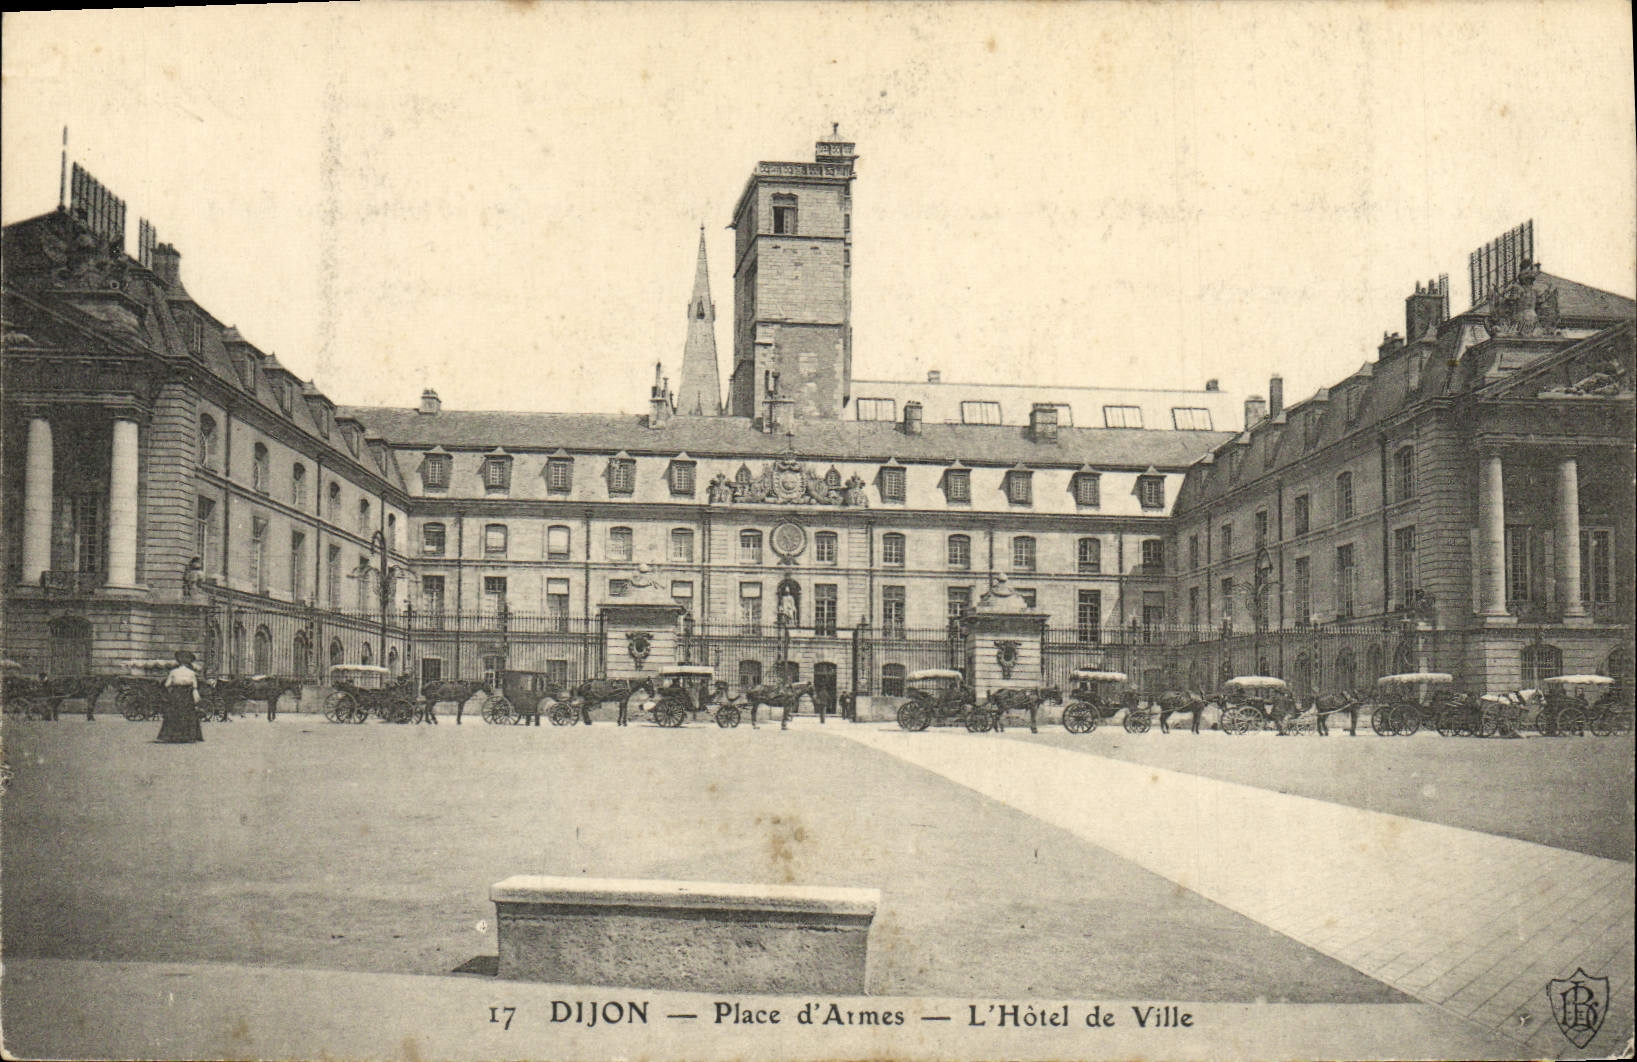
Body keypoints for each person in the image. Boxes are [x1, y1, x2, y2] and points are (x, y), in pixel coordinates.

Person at [158, 650, 204, 744]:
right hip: (187, 695)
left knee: (174, 714)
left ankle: (173, 735)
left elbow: (167, 684)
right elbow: (195, 685)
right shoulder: (191, 673)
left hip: (176, 694)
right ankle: (188, 736)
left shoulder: (173, 672)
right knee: (188, 714)